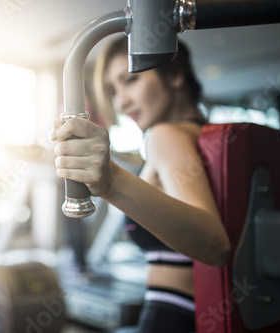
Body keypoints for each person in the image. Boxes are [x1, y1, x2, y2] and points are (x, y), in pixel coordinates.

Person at [51, 36, 231, 333]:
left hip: (172, 318)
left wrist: (111, 182)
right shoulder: (202, 136)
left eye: (131, 80)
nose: (122, 102)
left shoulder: (164, 136)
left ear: (173, 75)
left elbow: (216, 245)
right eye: (114, 90)